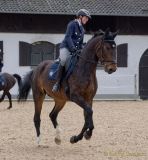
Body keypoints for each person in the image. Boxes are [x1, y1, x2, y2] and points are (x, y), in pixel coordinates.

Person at [52, 9, 91, 92]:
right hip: (66, 47)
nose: (87, 20)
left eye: (88, 19)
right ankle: (57, 83)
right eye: (86, 18)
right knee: (63, 60)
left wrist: (82, 49)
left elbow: (80, 43)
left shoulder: (82, 30)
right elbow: (68, 37)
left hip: (75, 50)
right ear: (80, 17)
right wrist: (73, 48)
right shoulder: (72, 24)